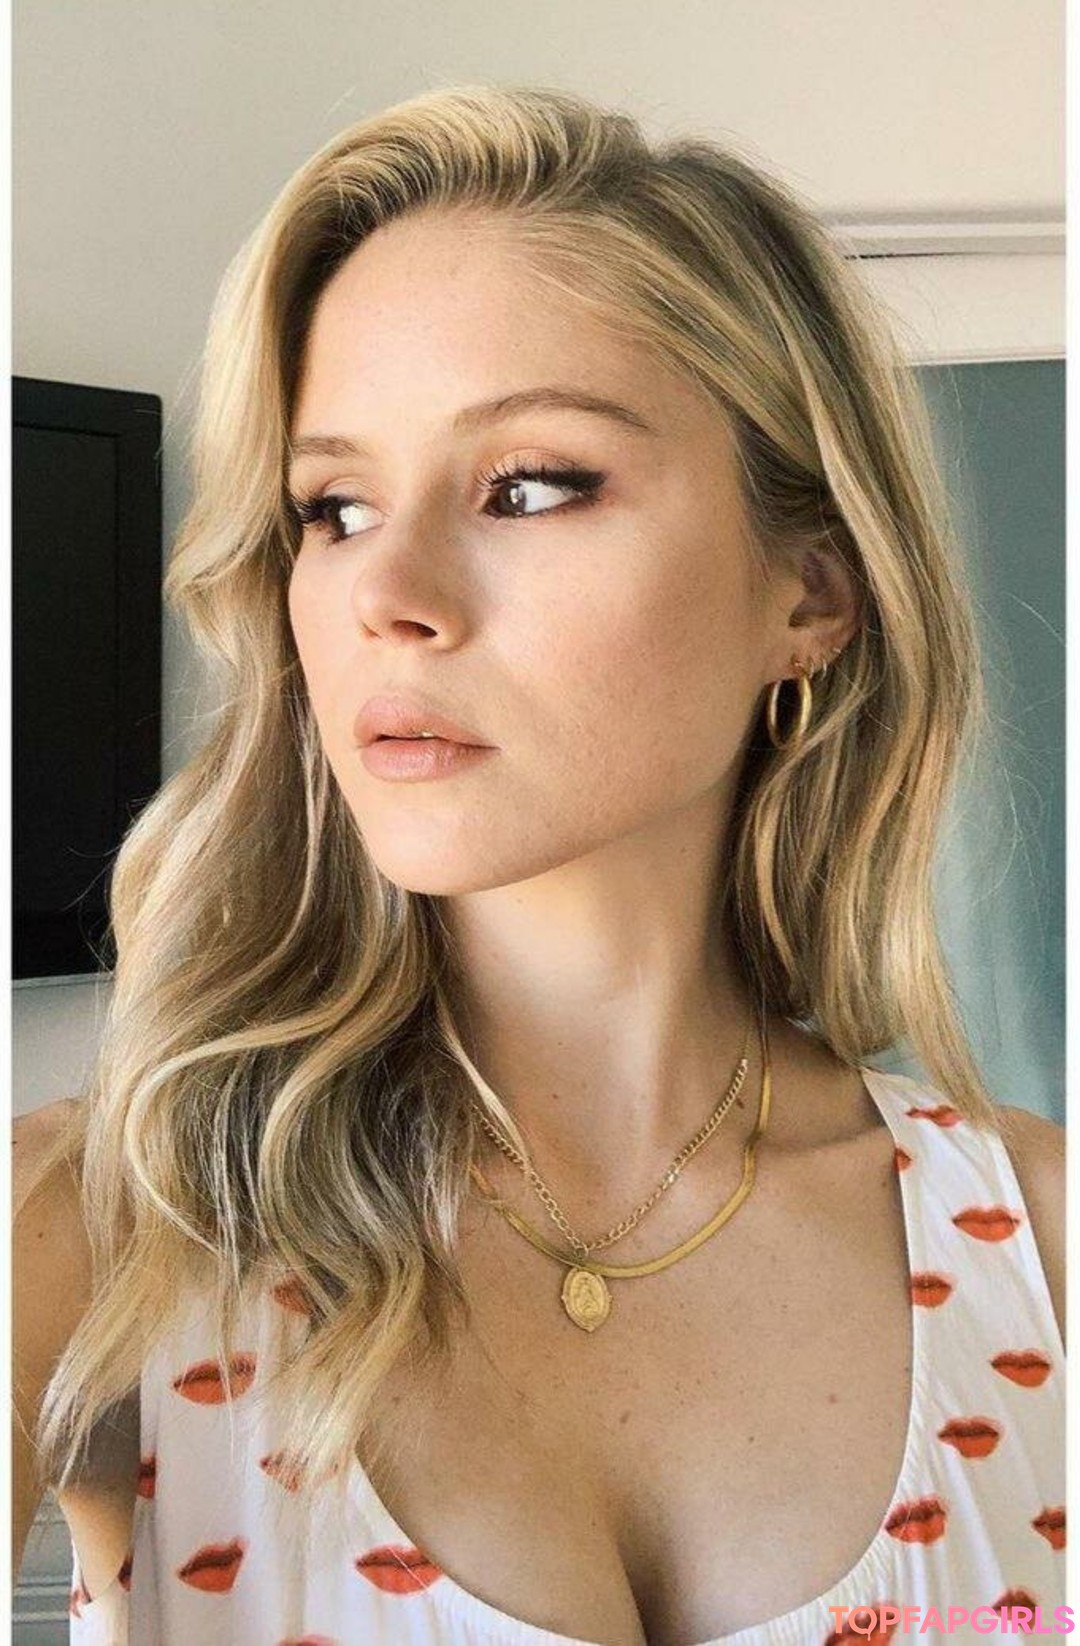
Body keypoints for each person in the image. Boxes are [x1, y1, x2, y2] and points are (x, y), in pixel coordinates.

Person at [13, 81, 1065, 1646]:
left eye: (529, 484)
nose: (389, 593)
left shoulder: (1041, 1243)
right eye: (334, 505)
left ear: (812, 592)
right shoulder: (100, 1230)